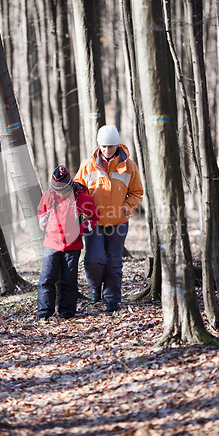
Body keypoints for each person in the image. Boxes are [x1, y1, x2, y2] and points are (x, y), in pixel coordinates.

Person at [74, 125, 143, 312]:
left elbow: (137, 192)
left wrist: (126, 210)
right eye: (103, 146)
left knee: (114, 262)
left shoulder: (129, 167)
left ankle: (112, 300)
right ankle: (95, 286)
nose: (106, 150)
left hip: (118, 222)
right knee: (94, 259)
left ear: (117, 145)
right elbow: (78, 189)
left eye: (110, 147)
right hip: (93, 222)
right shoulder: (87, 165)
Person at [37, 165, 100, 320]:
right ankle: (44, 313)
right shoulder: (49, 197)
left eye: (62, 188)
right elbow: (41, 213)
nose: (59, 191)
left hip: (73, 245)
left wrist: (81, 228)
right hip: (51, 243)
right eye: (56, 188)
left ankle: (67, 312)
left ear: (69, 184)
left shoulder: (81, 198)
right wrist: (45, 224)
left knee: (69, 280)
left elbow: (94, 217)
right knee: (46, 279)